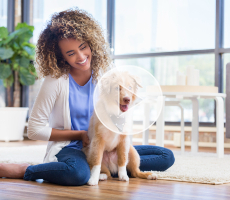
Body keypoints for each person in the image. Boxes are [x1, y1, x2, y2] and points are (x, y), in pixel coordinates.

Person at [0, 9, 175, 186]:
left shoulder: (105, 76)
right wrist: (81, 134)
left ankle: (109, 168)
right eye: (71, 53)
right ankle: (25, 170)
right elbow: (34, 130)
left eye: (83, 47)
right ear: (60, 57)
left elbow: (121, 110)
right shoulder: (55, 81)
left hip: (107, 145)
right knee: (76, 175)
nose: (81, 57)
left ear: (91, 42)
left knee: (165, 156)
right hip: (72, 147)